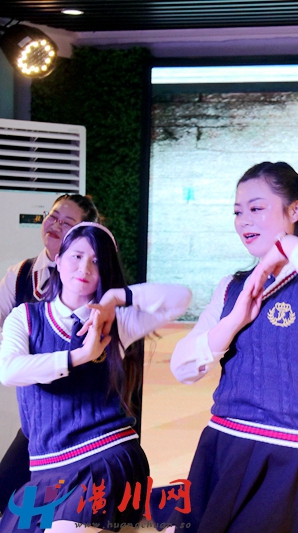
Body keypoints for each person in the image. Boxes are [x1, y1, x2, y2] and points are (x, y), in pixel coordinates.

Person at [169, 161, 298, 533]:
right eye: (238, 212)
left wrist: (281, 248)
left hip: (293, 457)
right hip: (223, 445)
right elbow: (182, 368)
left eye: (256, 208)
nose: (244, 221)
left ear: (295, 210)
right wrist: (234, 320)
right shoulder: (232, 287)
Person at [0, 222, 192, 533]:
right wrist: (80, 356)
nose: (85, 268)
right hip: (48, 470)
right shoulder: (25, 317)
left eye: (97, 261)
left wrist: (116, 297)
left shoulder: (116, 322)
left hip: (105, 459)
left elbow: (181, 297)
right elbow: (9, 371)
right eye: (76, 256)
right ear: (58, 260)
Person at [0, 193, 99, 514]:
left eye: (67, 222)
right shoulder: (20, 275)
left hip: (82, 418)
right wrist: (16, 352)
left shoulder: (95, 282)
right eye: (53, 216)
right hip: (37, 416)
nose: (55, 225)